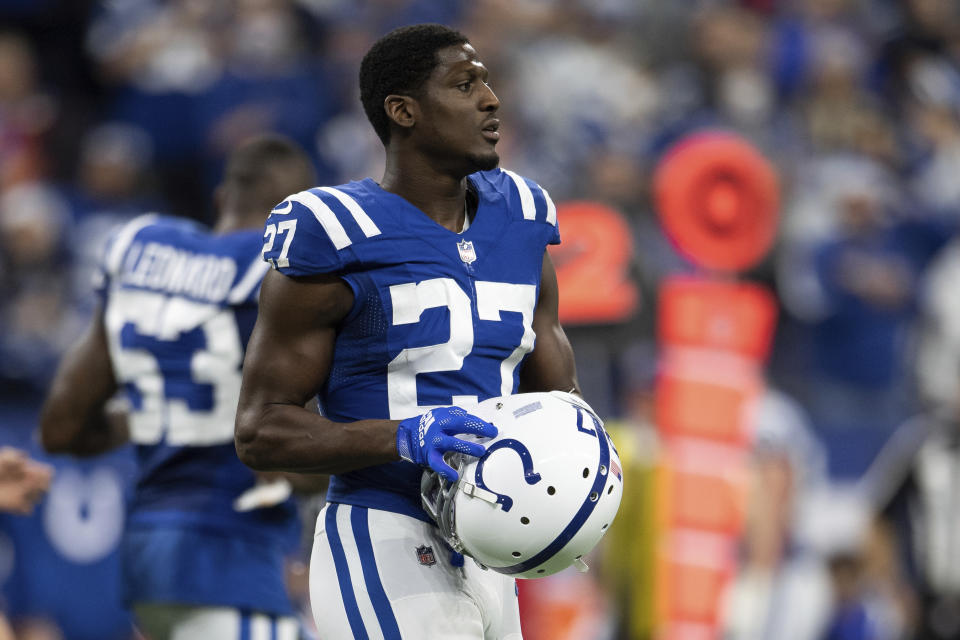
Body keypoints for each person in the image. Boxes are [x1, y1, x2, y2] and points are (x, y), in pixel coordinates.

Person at [234, 23, 581, 639]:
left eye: (487, 81)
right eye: (463, 83)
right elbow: (261, 430)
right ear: (404, 111)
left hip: (494, 550)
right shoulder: (334, 232)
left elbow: (558, 401)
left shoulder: (523, 216)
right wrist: (403, 436)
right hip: (384, 532)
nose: (491, 98)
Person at [39, 134, 317, 640]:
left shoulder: (144, 248)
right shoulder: (278, 268)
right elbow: (297, 456)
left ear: (221, 199)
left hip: (148, 555)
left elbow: (61, 427)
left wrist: (154, 412)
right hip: (228, 552)